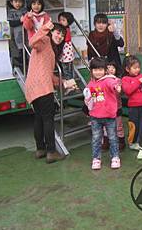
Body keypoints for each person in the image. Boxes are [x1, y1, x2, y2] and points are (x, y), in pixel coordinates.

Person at [25, 21, 75, 163]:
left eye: (62, 34)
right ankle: (51, 152)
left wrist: (64, 83)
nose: (60, 36)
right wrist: (46, 27)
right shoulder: (45, 41)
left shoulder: (50, 50)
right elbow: (32, 41)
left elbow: (48, 74)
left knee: (39, 118)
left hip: (33, 86)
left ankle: (40, 149)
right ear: (52, 32)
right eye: (58, 32)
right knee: (48, 119)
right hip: (41, 87)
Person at [84, 57, 121, 170]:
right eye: (95, 70)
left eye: (100, 69)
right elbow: (88, 94)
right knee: (96, 138)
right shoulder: (91, 83)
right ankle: (96, 159)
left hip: (109, 116)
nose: (98, 72)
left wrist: (117, 87)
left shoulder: (108, 80)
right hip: (95, 117)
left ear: (105, 70)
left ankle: (115, 157)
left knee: (113, 137)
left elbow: (113, 84)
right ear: (91, 71)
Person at [121, 55, 142, 160]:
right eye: (134, 68)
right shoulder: (125, 79)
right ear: (127, 69)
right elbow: (128, 91)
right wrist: (138, 81)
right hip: (133, 107)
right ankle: (132, 143)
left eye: (138, 67)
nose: (137, 70)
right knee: (134, 125)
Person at [106, 60, 126, 151]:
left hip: (117, 107)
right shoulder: (102, 81)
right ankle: (106, 141)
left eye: (112, 68)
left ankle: (121, 141)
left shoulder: (118, 80)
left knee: (118, 125)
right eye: (108, 68)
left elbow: (120, 93)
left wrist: (118, 89)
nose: (110, 70)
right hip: (105, 108)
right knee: (105, 125)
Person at [6, 0, 26, 70]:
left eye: (20, 2)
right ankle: (18, 65)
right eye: (16, 1)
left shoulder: (24, 11)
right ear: (11, 2)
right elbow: (10, 23)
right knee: (17, 51)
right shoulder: (10, 12)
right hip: (15, 36)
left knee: (24, 52)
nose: (18, 4)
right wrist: (20, 21)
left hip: (24, 35)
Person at [57, 11, 75, 82]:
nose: (61, 22)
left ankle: (70, 84)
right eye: (60, 20)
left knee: (67, 69)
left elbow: (65, 39)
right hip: (65, 54)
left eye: (63, 20)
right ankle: (70, 82)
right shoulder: (63, 29)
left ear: (68, 22)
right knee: (66, 68)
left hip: (66, 54)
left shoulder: (66, 30)